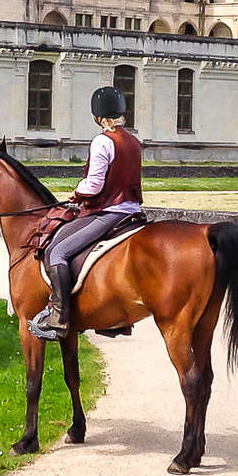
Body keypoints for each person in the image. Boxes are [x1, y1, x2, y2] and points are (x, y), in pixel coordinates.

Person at [30, 86, 143, 341]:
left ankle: (58, 316)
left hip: (108, 212)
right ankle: (113, 319)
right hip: (133, 212)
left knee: (56, 251)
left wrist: (76, 193)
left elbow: (95, 185)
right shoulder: (134, 141)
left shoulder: (102, 140)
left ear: (98, 117)